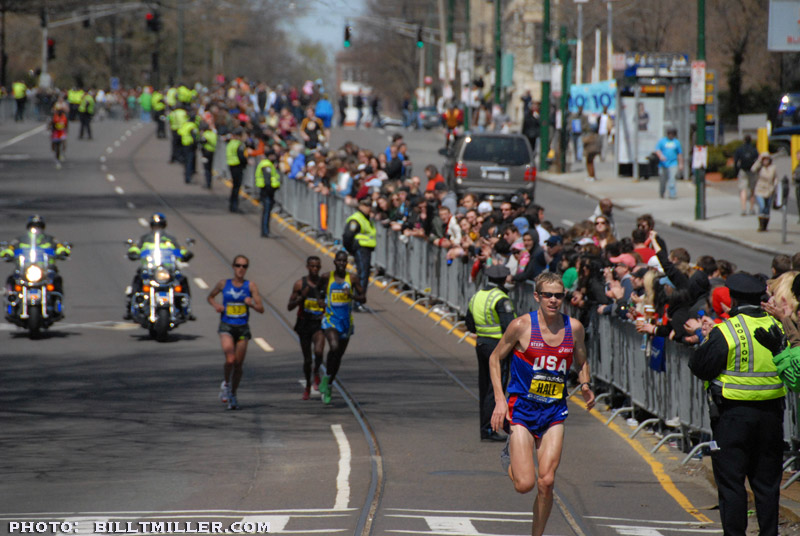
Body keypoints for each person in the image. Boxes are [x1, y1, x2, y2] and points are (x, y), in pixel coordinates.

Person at [489, 272, 595, 536]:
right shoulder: (521, 326)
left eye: (558, 295)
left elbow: (581, 360)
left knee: (546, 481)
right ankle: (509, 457)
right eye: (547, 295)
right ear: (536, 296)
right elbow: (494, 358)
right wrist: (500, 401)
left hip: (553, 412)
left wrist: (585, 385)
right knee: (524, 484)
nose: (553, 300)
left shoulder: (574, 328)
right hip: (522, 410)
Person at [689, 272, 786, 536]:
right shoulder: (778, 327)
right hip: (772, 417)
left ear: (733, 298)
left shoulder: (727, 330)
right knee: (767, 486)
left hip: (733, 418)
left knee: (732, 485)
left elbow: (700, 366)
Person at [465, 265, 516, 441]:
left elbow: (469, 324)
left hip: (481, 344)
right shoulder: (501, 298)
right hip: (498, 347)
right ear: (503, 279)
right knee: (496, 388)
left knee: (484, 385)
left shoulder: (476, 296)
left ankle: (485, 428)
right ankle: (490, 429)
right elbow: (510, 326)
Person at [207, 255, 265, 410]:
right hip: (226, 326)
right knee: (230, 360)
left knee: (238, 365)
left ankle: (233, 393)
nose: (241, 269)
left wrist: (251, 304)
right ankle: (226, 384)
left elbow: (261, 309)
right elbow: (210, 297)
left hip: (242, 328)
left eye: (244, 266)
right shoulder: (223, 284)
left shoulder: (250, 286)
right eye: (238, 265)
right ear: (233, 267)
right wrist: (216, 305)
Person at [124, 212, 194, 320]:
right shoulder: (145, 238)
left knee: (182, 280)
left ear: (164, 226)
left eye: (160, 226)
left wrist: (185, 253)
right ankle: (131, 306)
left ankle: (186, 306)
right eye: (155, 226)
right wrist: (133, 252)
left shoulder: (170, 239)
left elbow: (180, 250)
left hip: (167, 269)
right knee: (138, 279)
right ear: (151, 226)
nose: (158, 228)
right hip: (149, 268)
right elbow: (136, 247)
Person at [318, 251, 366, 405]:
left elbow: (363, 298)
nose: (341, 263)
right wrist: (320, 301)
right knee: (333, 346)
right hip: (330, 320)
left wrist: (351, 296)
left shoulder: (352, 278)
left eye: (344, 261)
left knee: (338, 356)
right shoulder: (327, 277)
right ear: (334, 262)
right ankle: (327, 377)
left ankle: (329, 381)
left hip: (346, 322)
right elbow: (318, 291)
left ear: (347, 263)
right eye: (339, 261)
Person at [1, 215, 70, 296]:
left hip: (46, 269)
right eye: (33, 227)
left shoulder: (51, 240)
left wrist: (63, 252)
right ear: (28, 228)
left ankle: (57, 301)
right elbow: (10, 248)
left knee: (57, 279)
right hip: (25, 269)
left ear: (42, 228)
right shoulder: (19, 240)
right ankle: (10, 302)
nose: (36, 230)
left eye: (39, 227)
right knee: (12, 279)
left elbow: (60, 246)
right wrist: (6, 253)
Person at [288, 256, 326, 400]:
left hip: (318, 324)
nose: (315, 269)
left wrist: (325, 306)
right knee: (307, 359)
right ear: (307, 267)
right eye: (312, 266)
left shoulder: (324, 285)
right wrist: (300, 298)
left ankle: (316, 371)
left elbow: (330, 304)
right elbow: (289, 307)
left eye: (317, 267)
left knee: (319, 351)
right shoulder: (300, 284)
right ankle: (308, 386)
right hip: (304, 323)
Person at [342, 197, 376, 310]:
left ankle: (358, 301)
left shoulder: (366, 218)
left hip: (366, 250)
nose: (369, 207)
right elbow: (347, 236)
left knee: (364, 275)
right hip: (361, 249)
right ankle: (357, 302)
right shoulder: (356, 219)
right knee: (362, 275)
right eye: (366, 205)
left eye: (370, 205)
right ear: (360, 206)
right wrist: (351, 249)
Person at [255, 151, 281, 238]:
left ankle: (265, 230)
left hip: (266, 191)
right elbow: (267, 180)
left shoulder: (267, 164)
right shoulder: (266, 165)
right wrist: (271, 189)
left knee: (266, 211)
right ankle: (265, 231)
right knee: (266, 211)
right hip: (267, 191)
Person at [751, 152, 778, 232]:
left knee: (767, 208)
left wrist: (775, 186)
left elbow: (775, 177)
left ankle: (765, 226)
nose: (765, 161)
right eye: (764, 159)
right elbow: (753, 169)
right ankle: (761, 225)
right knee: (762, 206)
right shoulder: (759, 167)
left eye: (767, 159)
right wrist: (759, 160)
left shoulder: (773, 167)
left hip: (769, 189)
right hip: (760, 189)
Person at [733, 135, 759, 216]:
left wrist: (736, 172)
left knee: (743, 190)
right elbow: (758, 161)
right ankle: (752, 208)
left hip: (743, 171)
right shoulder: (754, 150)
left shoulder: (740, 150)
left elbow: (736, 162)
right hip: (752, 171)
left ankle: (743, 209)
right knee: (752, 190)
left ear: (744, 140)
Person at [655, 127, 683, 200]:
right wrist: (661, 156)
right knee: (662, 180)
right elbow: (657, 150)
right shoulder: (662, 141)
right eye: (670, 134)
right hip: (663, 164)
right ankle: (662, 193)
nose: (671, 135)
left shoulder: (676, 142)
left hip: (673, 163)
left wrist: (680, 164)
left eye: (672, 134)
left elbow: (679, 154)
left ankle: (672, 194)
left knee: (672, 179)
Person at [226, 128, 248, 213]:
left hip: (231, 165)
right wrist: (246, 162)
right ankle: (234, 206)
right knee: (236, 187)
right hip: (237, 166)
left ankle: (232, 205)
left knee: (234, 186)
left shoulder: (230, 143)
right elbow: (241, 157)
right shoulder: (239, 144)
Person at [199, 122, 217, 189]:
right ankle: (209, 183)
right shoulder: (213, 134)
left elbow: (202, 141)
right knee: (210, 168)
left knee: (206, 168)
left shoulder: (205, 134)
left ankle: (207, 183)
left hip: (206, 152)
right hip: (212, 152)